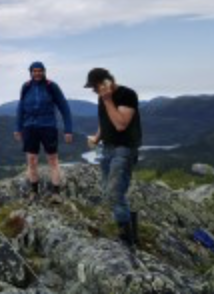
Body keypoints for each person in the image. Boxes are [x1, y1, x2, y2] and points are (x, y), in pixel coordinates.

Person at [85, 67, 142, 247]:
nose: (95, 90)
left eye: (95, 86)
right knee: (109, 191)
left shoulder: (127, 94)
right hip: (107, 148)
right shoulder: (102, 98)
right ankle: (131, 232)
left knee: (115, 193)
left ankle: (127, 240)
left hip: (124, 149)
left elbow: (120, 124)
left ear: (106, 82)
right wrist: (97, 137)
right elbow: (106, 121)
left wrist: (108, 99)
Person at [14, 61, 73, 204]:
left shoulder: (51, 86)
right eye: (34, 71)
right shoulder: (26, 87)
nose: (37, 73)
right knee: (31, 160)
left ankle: (56, 193)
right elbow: (20, 108)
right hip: (29, 127)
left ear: (44, 71)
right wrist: (17, 127)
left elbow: (64, 107)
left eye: (40, 70)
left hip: (48, 127)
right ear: (31, 72)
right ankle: (34, 192)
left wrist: (68, 129)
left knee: (52, 160)